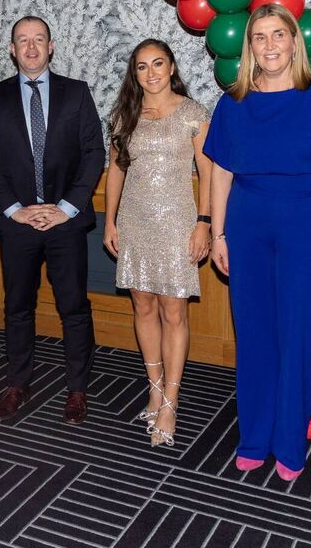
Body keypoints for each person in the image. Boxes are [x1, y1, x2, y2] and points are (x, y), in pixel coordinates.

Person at [205, 3, 311, 481]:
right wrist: (218, 232)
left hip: (306, 222)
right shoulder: (232, 103)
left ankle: (290, 443)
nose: (269, 45)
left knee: (296, 334)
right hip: (247, 223)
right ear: (250, 47)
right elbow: (221, 173)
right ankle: (254, 436)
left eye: (278, 35)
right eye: (259, 37)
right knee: (253, 334)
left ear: (295, 42)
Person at [0, 15, 104, 424]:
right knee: (17, 306)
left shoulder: (77, 93)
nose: (31, 47)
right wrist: (16, 210)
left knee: (74, 307)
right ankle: (18, 382)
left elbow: (94, 153)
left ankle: (78, 389)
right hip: (17, 223)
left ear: (51, 46)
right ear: (12, 50)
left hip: (65, 221)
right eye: (22, 41)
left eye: (39, 39)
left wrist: (66, 208)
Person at [103, 39, 211, 447]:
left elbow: (209, 173)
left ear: (171, 67)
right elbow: (115, 171)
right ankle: (154, 387)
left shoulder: (193, 114)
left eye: (158, 64)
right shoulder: (124, 115)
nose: (150, 73)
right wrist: (110, 221)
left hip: (178, 224)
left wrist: (203, 223)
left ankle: (171, 400)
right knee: (142, 305)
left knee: (174, 311)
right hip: (133, 221)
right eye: (142, 67)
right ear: (135, 73)